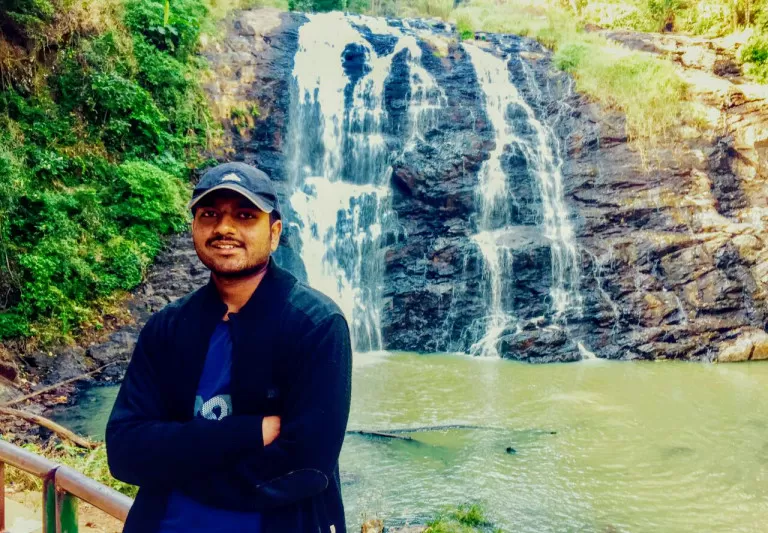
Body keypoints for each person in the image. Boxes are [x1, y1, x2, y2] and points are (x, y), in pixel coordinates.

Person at [106, 161, 352, 533]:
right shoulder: (167, 327)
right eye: (210, 214)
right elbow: (125, 452)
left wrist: (174, 465)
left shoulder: (315, 326)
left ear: (274, 232)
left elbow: (306, 466)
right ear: (194, 227)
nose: (224, 228)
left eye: (245, 215)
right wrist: (249, 433)